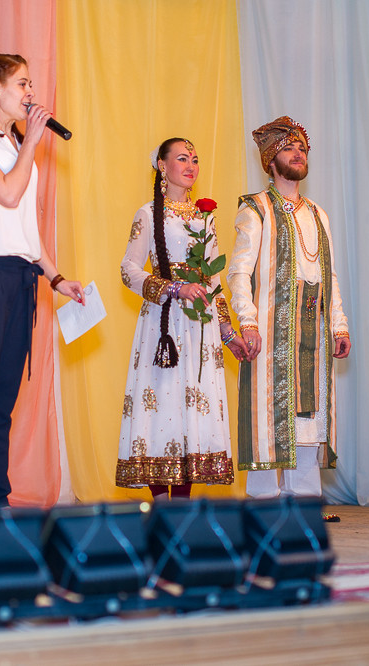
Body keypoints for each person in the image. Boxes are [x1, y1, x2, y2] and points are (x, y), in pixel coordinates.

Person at [0, 53, 83, 507]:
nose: (30, 93)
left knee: (3, 397)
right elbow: (6, 193)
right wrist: (31, 147)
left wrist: (56, 277)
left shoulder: (16, 147)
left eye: (31, 84)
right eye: (22, 83)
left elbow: (26, 230)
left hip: (19, 278)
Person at [115, 138, 247, 499]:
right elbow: (128, 270)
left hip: (199, 328)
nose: (191, 165)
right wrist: (173, 289)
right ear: (162, 165)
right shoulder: (147, 213)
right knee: (162, 405)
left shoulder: (205, 218)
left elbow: (214, 281)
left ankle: (182, 508)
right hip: (164, 326)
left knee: (192, 409)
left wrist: (226, 331)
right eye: (182, 158)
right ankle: (161, 508)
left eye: (195, 160)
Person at [228, 116, 351, 501]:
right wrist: (247, 322)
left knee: (309, 417)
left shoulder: (318, 213)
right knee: (269, 417)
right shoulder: (256, 209)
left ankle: (304, 503)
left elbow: (328, 276)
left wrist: (339, 325)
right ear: (270, 159)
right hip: (270, 329)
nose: (297, 152)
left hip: (312, 329)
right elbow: (238, 273)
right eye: (288, 147)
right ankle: (263, 506)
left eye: (301, 147)